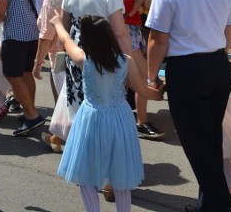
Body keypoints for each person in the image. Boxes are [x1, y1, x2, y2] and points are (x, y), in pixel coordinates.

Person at [146, 0, 231, 212]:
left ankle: (220, 208)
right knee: (210, 141)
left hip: (188, 69)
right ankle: (206, 207)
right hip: (218, 64)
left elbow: (157, 38)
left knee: (199, 147)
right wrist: (218, 52)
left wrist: (151, 77)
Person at [53, 14, 159, 212]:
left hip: (91, 118)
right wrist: (159, 93)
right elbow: (143, 91)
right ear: (110, 36)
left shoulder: (84, 59)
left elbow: (66, 40)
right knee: (121, 176)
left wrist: (58, 23)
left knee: (86, 176)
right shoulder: (126, 62)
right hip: (120, 118)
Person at [0, 0, 44, 136]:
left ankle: (32, 115)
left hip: (15, 33)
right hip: (31, 31)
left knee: (13, 75)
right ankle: (30, 110)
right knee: (25, 73)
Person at [114, 0, 162, 140]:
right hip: (127, 32)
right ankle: (141, 122)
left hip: (134, 31)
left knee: (131, 79)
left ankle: (133, 119)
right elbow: (131, 11)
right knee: (142, 77)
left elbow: (145, 5)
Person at [33, 0, 77, 151]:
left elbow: (45, 36)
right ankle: (57, 138)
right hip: (78, 52)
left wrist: (37, 63)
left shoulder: (52, 0)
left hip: (59, 57)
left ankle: (69, 142)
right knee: (72, 100)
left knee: (66, 100)